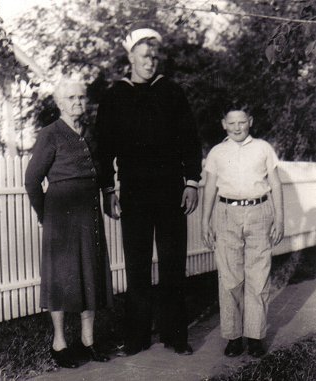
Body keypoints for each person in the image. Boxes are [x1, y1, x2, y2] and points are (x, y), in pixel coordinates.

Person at [96, 27, 202, 356]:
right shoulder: (115, 96)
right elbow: (103, 147)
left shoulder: (172, 92)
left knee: (172, 263)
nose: (151, 62)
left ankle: (176, 335)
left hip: (171, 190)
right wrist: (108, 190)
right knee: (137, 266)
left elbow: (190, 140)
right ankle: (138, 337)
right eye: (145, 56)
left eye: (154, 56)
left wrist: (191, 182)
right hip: (135, 194)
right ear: (130, 58)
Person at [25, 77, 113, 368]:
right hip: (60, 216)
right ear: (60, 103)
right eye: (72, 98)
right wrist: (45, 214)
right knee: (61, 278)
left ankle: (88, 341)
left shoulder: (90, 133)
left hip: (89, 213)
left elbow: (100, 173)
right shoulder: (50, 134)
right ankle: (59, 343)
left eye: (82, 97)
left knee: (90, 274)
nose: (79, 103)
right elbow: (32, 180)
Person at [202, 100, 284, 358]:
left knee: (258, 276)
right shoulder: (216, 152)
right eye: (232, 123)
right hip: (227, 214)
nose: (237, 127)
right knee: (229, 278)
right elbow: (210, 188)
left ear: (250, 122)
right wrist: (205, 221)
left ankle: (255, 335)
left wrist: (280, 219)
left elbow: (276, 184)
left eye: (242, 122)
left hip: (260, 212)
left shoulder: (263, 148)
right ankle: (234, 337)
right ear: (224, 124)